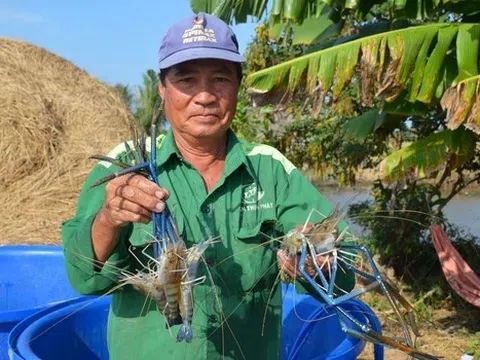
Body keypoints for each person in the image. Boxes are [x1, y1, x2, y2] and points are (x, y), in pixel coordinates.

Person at [62, 13, 355, 360]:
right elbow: (83, 278)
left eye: (220, 79)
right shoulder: (123, 164)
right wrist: (109, 219)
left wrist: (317, 261)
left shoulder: (270, 167)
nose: (205, 96)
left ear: (238, 86)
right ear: (162, 87)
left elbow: (345, 264)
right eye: (186, 79)